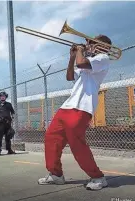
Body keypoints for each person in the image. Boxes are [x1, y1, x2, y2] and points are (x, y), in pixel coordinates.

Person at [38, 35, 112, 191]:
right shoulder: (86, 62)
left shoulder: (103, 58)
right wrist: (71, 57)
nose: (88, 45)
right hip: (67, 106)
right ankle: (56, 174)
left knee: (76, 143)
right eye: (88, 43)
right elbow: (70, 76)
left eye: (92, 43)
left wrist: (79, 51)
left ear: (105, 47)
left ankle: (98, 177)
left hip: (82, 108)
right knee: (52, 138)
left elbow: (82, 62)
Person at [0, 91, 16, 156]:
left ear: (5, 97)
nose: (3, 97)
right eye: (1, 96)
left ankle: (9, 150)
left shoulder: (9, 104)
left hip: (8, 123)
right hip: (0, 123)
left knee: (8, 137)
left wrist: (12, 117)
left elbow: (12, 112)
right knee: (0, 137)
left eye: (4, 96)